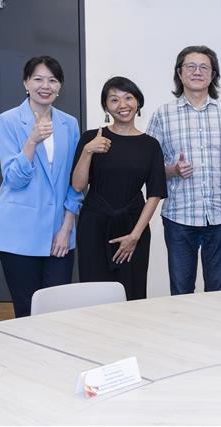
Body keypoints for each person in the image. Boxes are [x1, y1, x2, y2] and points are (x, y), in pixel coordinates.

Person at [146, 45, 221, 294]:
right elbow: (149, 167)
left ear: (213, 74)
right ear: (179, 74)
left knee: (219, 291)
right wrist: (172, 170)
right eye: (190, 66)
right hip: (179, 217)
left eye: (204, 67)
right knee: (181, 291)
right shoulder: (163, 114)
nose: (197, 72)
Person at [0, 56, 83, 317]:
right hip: (18, 232)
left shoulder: (69, 123)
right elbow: (14, 178)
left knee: (56, 311)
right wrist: (31, 141)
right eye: (38, 79)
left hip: (59, 232)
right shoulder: (7, 121)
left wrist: (67, 226)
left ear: (60, 86)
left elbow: (75, 180)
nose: (46, 85)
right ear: (26, 83)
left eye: (52, 80)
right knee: (27, 311)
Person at [71, 77, 167, 300]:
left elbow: (155, 194)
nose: (122, 105)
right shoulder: (91, 138)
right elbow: (77, 185)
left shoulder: (150, 145)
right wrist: (88, 151)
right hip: (94, 225)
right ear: (106, 106)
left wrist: (135, 235)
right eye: (114, 100)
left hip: (133, 227)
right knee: (94, 293)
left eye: (128, 98)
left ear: (138, 103)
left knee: (131, 293)